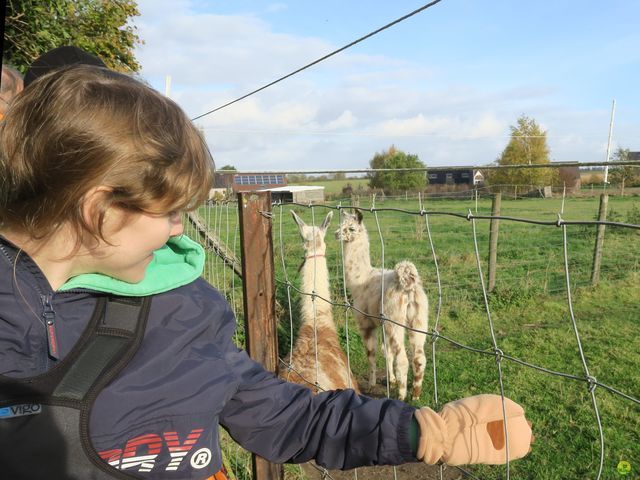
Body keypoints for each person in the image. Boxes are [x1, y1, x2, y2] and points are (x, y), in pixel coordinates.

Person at [0, 61, 533, 479]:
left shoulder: (185, 310)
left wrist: (423, 431)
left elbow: (282, 413)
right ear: (102, 209)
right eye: (168, 212)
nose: (179, 232)